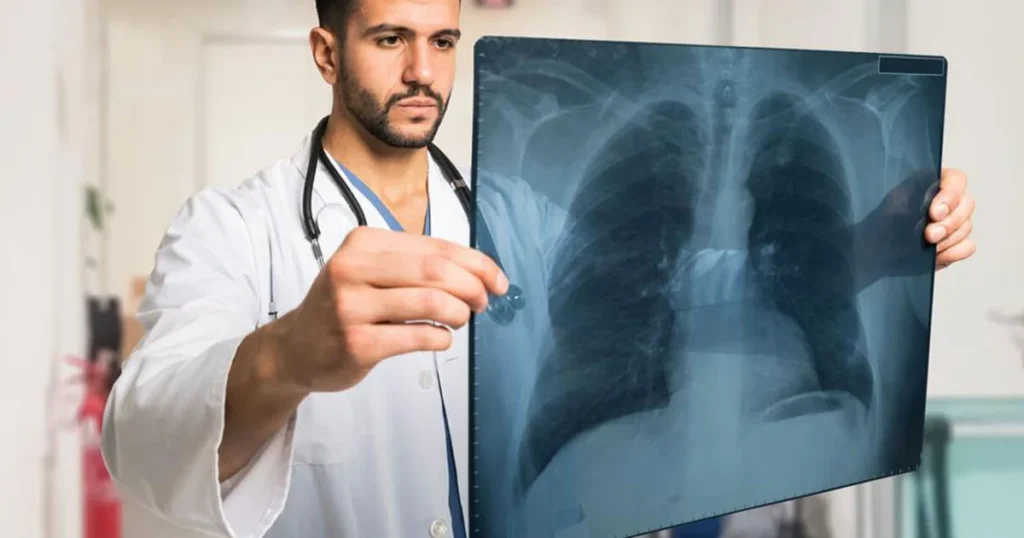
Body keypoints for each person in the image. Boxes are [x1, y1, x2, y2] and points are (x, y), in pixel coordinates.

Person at [99, 0, 978, 537]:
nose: (422, 72)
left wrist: (862, 248)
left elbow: (680, 282)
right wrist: (288, 354)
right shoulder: (232, 228)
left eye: (443, 42)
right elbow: (139, 434)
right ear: (327, 52)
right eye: (390, 39)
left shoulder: (515, 213)